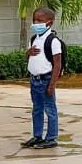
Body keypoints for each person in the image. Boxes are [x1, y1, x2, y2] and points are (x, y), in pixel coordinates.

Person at [23, 8, 62, 150]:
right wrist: (28, 52)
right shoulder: (34, 39)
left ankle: (51, 137)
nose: (36, 23)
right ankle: (37, 136)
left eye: (40, 20)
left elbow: (57, 64)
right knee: (37, 109)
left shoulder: (53, 41)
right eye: (34, 20)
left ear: (49, 23)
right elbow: (29, 56)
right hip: (34, 80)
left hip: (46, 80)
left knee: (50, 109)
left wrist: (52, 84)